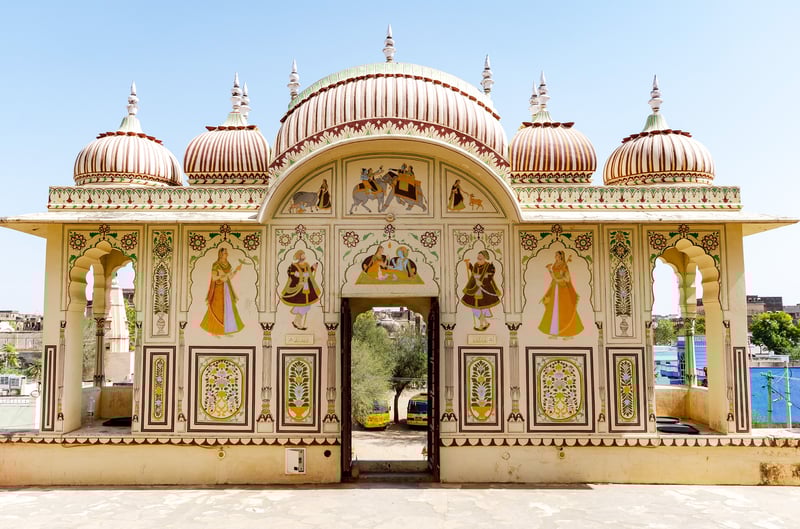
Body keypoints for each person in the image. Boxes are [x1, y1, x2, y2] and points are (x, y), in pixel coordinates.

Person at [538, 250, 584, 337]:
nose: (555, 256)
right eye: (555, 255)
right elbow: (554, 278)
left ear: (560, 256)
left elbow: (567, 279)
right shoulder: (555, 265)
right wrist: (549, 270)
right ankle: (555, 332)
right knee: (554, 310)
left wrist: (561, 278)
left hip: (563, 290)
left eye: (556, 255)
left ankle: (568, 333)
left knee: (565, 310)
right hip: (555, 288)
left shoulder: (564, 265)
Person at [200, 247, 245, 335]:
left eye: (227, 253)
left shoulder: (228, 264)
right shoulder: (216, 265)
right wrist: (223, 276)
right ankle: (216, 330)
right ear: (220, 254)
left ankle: (228, 328)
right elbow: (214, 278)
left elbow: (230, 277)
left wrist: (236, 270)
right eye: (225, 253)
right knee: (218, 308)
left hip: (227, 288)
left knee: (229, 307)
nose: (227, 254)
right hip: (218, 289)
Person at [461, 250, 501, 331]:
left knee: (483, 307)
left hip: (485, 288)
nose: (478, 256)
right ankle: (485, 323)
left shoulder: (489, 266)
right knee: (475, 308)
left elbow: (490, 277)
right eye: (478, 255)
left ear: (484, 256)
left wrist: (482, 282)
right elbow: (474, 273)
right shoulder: (476, 264)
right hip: (475, 287)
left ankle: (482, 324)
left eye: (480, 255)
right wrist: (470, 266)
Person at [280, 250, 321, 330]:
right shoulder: (294, 265)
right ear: (299, 256)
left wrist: (312, 268)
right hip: (299, 287)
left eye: (304, 254)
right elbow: (292, 275)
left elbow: (308, 272)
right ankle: (298, 323)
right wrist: (300, 277)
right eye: (302, 254)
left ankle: (296, 321)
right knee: (302, 305)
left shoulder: (306, 264)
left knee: (306, 306)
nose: (304, 256)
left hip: (307, 288)